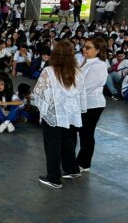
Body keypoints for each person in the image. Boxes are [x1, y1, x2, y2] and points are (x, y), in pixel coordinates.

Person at [33, 40, 86, 189]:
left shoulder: (49, 71)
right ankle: (72, 169)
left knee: (52, 144)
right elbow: (82, 94)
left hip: (54, 113)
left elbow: (39, 92)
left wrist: (42, 107)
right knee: (68, 141)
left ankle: (54, 178)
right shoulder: (78, 72)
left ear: (55, 54)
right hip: (71, 113)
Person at [74, 37, 108, 172]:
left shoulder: (99, 66)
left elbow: (87, 87)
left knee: (86, 134)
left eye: (88, 47)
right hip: (82, 102)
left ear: (98, 50)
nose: (84, 49)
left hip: (93, 104)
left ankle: (84, 163)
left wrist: (68, 94)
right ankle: (79, 161)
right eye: (84, 46)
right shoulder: (85, 61)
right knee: (82, 133)